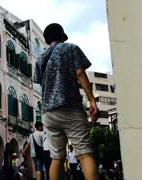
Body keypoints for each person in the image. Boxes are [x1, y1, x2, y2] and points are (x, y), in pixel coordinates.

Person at [34, 23, 99, 180]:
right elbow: (80, 73)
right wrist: (92, 100)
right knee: (84, 154)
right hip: (70, 107)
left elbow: (41, 83)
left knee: (57, 158)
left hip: (48, 113)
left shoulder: (40, 58)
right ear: (62, 36)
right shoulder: (70, 48)